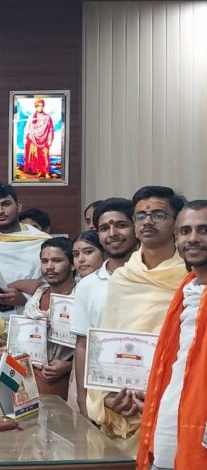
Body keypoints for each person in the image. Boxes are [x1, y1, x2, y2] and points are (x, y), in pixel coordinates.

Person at [87, 186, 188, 445]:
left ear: (176, 223)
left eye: (158, 214)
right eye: (141, 215)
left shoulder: (190, 279)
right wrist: (106, 397)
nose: (148, 221)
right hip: (124, 402)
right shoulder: (123, 278)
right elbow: (105, 343)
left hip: (172, 400)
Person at [137, 200, 207, 470]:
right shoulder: (187, 288)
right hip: (170, 422)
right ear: (176, 239)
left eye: (204, 230)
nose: (194, 238)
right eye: (186, 231)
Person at [71, 198, 137, 417]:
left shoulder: (154, 277)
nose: (112, 234)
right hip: (103, 394)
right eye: (104, 228)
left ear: (136, 227)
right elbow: (83, 345)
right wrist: (83, 399)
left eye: (121, 225)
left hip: (150, 390)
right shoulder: (87, 285)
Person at [0, 183, 51, 343]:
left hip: (36, 326)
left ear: (18, 206)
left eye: (6, 204)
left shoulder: (43, 243)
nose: (0, 211)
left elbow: (57, 286)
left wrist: (25, 298)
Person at [22, 237, 76, 401]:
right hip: (28, 382)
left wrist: (68, 366)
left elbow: (92, 348)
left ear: (72, 264)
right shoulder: (37, 297)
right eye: (45, 261)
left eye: (57, 261)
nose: (49, 267)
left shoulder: (80, 298)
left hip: (63, 385)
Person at [22, 97, 55, 178]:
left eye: (42, 106)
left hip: (45, 140)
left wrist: (50, 139)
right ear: (36, 107)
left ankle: (46, 172)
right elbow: (27, 128)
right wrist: (27, 137)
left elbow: (51, 129)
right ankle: (40, 171)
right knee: (38, 157)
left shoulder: (47, 117)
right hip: (34, 139)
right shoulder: (32, 117)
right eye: (38, 106)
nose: (40, 107)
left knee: (45, 156)